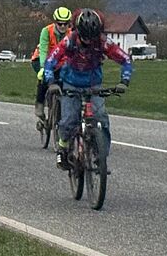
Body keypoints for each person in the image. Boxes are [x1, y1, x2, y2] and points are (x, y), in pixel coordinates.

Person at [43, 9, 131, 171]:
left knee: (101, 119)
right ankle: (62, 147)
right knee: (69, 120)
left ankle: (100, 155)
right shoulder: (69, 40)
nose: (88, 42)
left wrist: (124, 80)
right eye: (84, 38)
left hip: (93, 85)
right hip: (71, 83)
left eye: (92, 38)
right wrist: (51, 82)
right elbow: (50, 60)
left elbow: (125, 59)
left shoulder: (103, 42)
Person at [31, 6, 72, 122]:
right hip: (40, 59)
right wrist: (43, 67)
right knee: (44, 78)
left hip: (58, 62)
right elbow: (43, 49)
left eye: (66, 23)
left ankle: (59, 106)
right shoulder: (46, 31)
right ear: (55, 22)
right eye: (60, 24)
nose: (63, 26)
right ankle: (39, 105)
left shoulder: (71, 34)